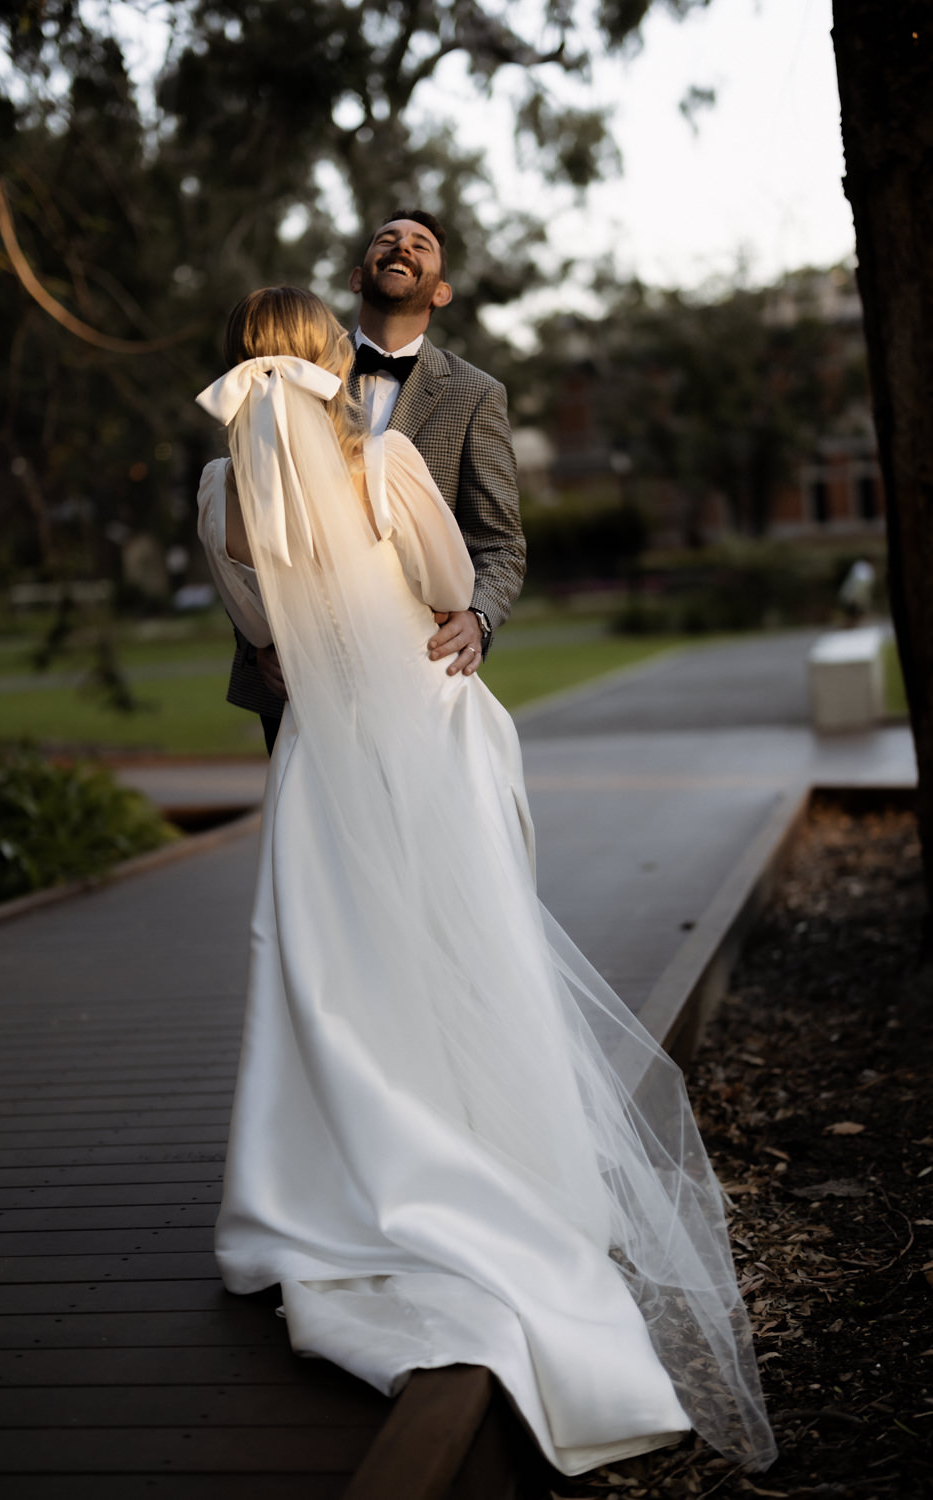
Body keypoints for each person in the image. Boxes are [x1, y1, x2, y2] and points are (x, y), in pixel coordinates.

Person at [195, 286, 776, 1479]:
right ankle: (499, 1156)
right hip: (430, 732)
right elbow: (453, 585)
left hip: (320, 761)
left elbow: (260, 632)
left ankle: (324, 1188)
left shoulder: (218, 494)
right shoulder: (385, 460)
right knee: (472, 948)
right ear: (326, 357)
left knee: (335, 975)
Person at [225, 210, 525, 751]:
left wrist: (478, 616)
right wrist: (261, 645)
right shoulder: (292, 367)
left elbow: (500, 541)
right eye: (387, 239)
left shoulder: (476, 394)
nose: (402, 246)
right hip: (297, 677)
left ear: (441, 293)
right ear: (357, 277)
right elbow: (242, 518)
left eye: (420, 244)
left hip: (416, 669)